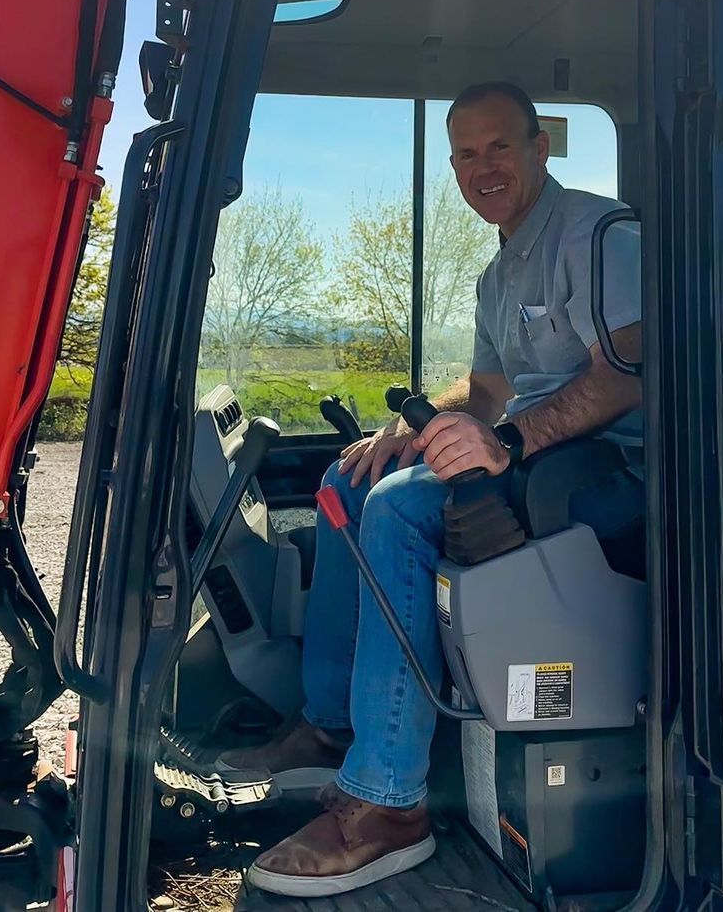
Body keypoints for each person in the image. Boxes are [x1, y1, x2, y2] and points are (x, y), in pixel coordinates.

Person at [228, 82, 643, 897]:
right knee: (351, 484)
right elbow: (487, 390)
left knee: (398, 509)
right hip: (536, 458)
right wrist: (410, 433)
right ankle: (333, 727)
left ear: (539, 147)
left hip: (612, 474)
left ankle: (389, 804)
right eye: (465, 153)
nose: (482, 167)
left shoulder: (597, 232)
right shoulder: (500, 271)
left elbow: (631, 373)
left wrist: (510, 439)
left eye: (499, 146)